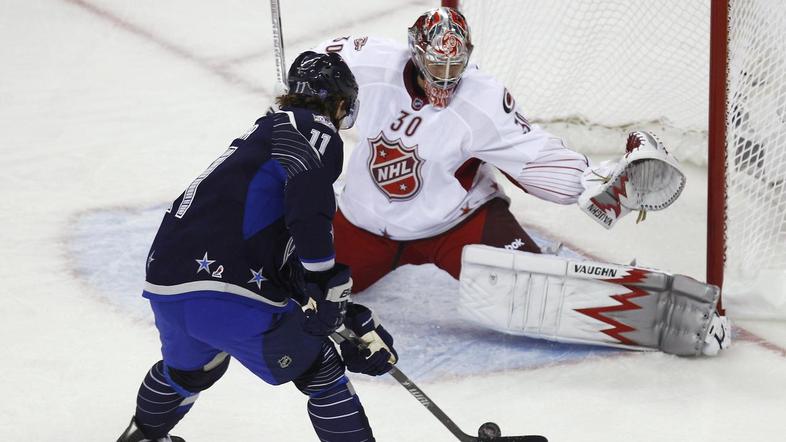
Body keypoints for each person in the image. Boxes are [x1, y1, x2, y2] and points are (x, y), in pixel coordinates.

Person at [313, 7, 730, 356]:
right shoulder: (368, 64)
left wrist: (596, 181)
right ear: (416, 53)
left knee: (531, 291)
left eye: (456, 65)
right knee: (302, 285)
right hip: (364, 222)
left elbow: (533, 156)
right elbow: (313, 69)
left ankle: (673, 315)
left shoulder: (482, 99)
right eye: (437, 65)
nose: (446, 76)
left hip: (456, 224)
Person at [117, 51, 397, 442]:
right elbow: (307, 206)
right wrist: (324, 279)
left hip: (167, 281)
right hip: (227, 290)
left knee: (191, 370)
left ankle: (143, 437)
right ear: (338, 104)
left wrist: (340, 308)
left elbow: (262, 242)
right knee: (322, 371)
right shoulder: (314, 128)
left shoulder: (261, 138)